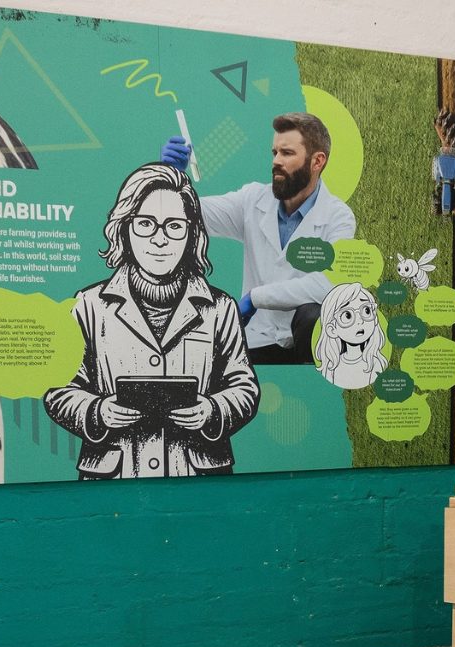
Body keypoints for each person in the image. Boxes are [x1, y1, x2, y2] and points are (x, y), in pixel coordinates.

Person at [46, 163, 259, 478]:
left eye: (174, 226)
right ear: (124, 227)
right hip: (113, 479)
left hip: (198, 477)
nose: (160, 239)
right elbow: (59, 389)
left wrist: (212, 411)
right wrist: (97, 412)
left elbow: (244, 387)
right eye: (145, 223)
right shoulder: (88, 306)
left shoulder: (220, 308)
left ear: (192, 234)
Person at [162, 113, 357, 364]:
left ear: (317, 161)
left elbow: (329, 284)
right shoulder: (252, 200)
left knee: (313, 316)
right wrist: (169, 178)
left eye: (287, 153)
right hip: (256, 339)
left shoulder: (338, 216)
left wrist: (256, 298)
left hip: (307, 345)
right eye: (274, 152)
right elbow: (189, 217)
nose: (276, 161)